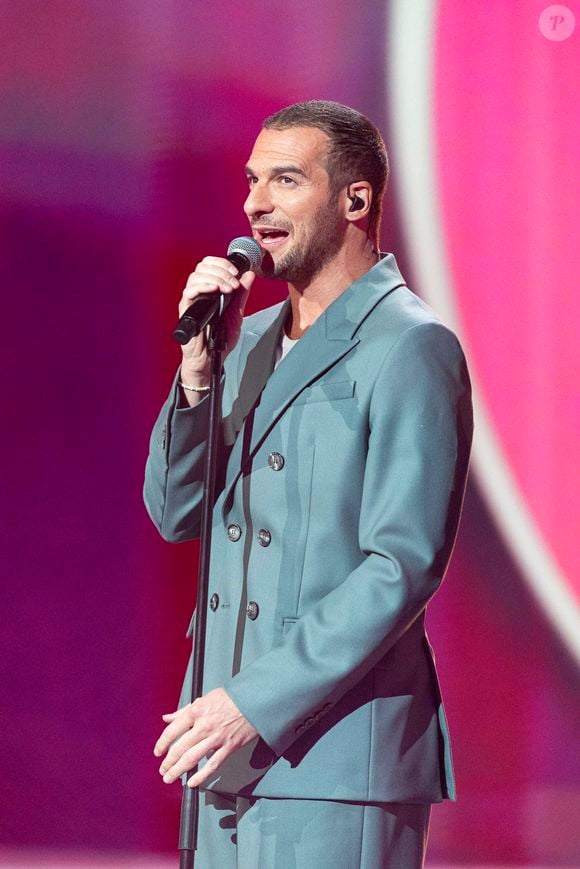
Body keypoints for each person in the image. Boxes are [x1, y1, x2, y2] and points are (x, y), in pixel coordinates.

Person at [144, 100, 473, 868]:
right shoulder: (246, 338)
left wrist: (255, 700)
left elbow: (402, 564)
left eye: (285, 180)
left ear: (355, 200)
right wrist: (196, 379)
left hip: (334, 759)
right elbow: (176, 512)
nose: (255, 202)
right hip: (221, 749)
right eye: (252, 181)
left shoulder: (412, 344)